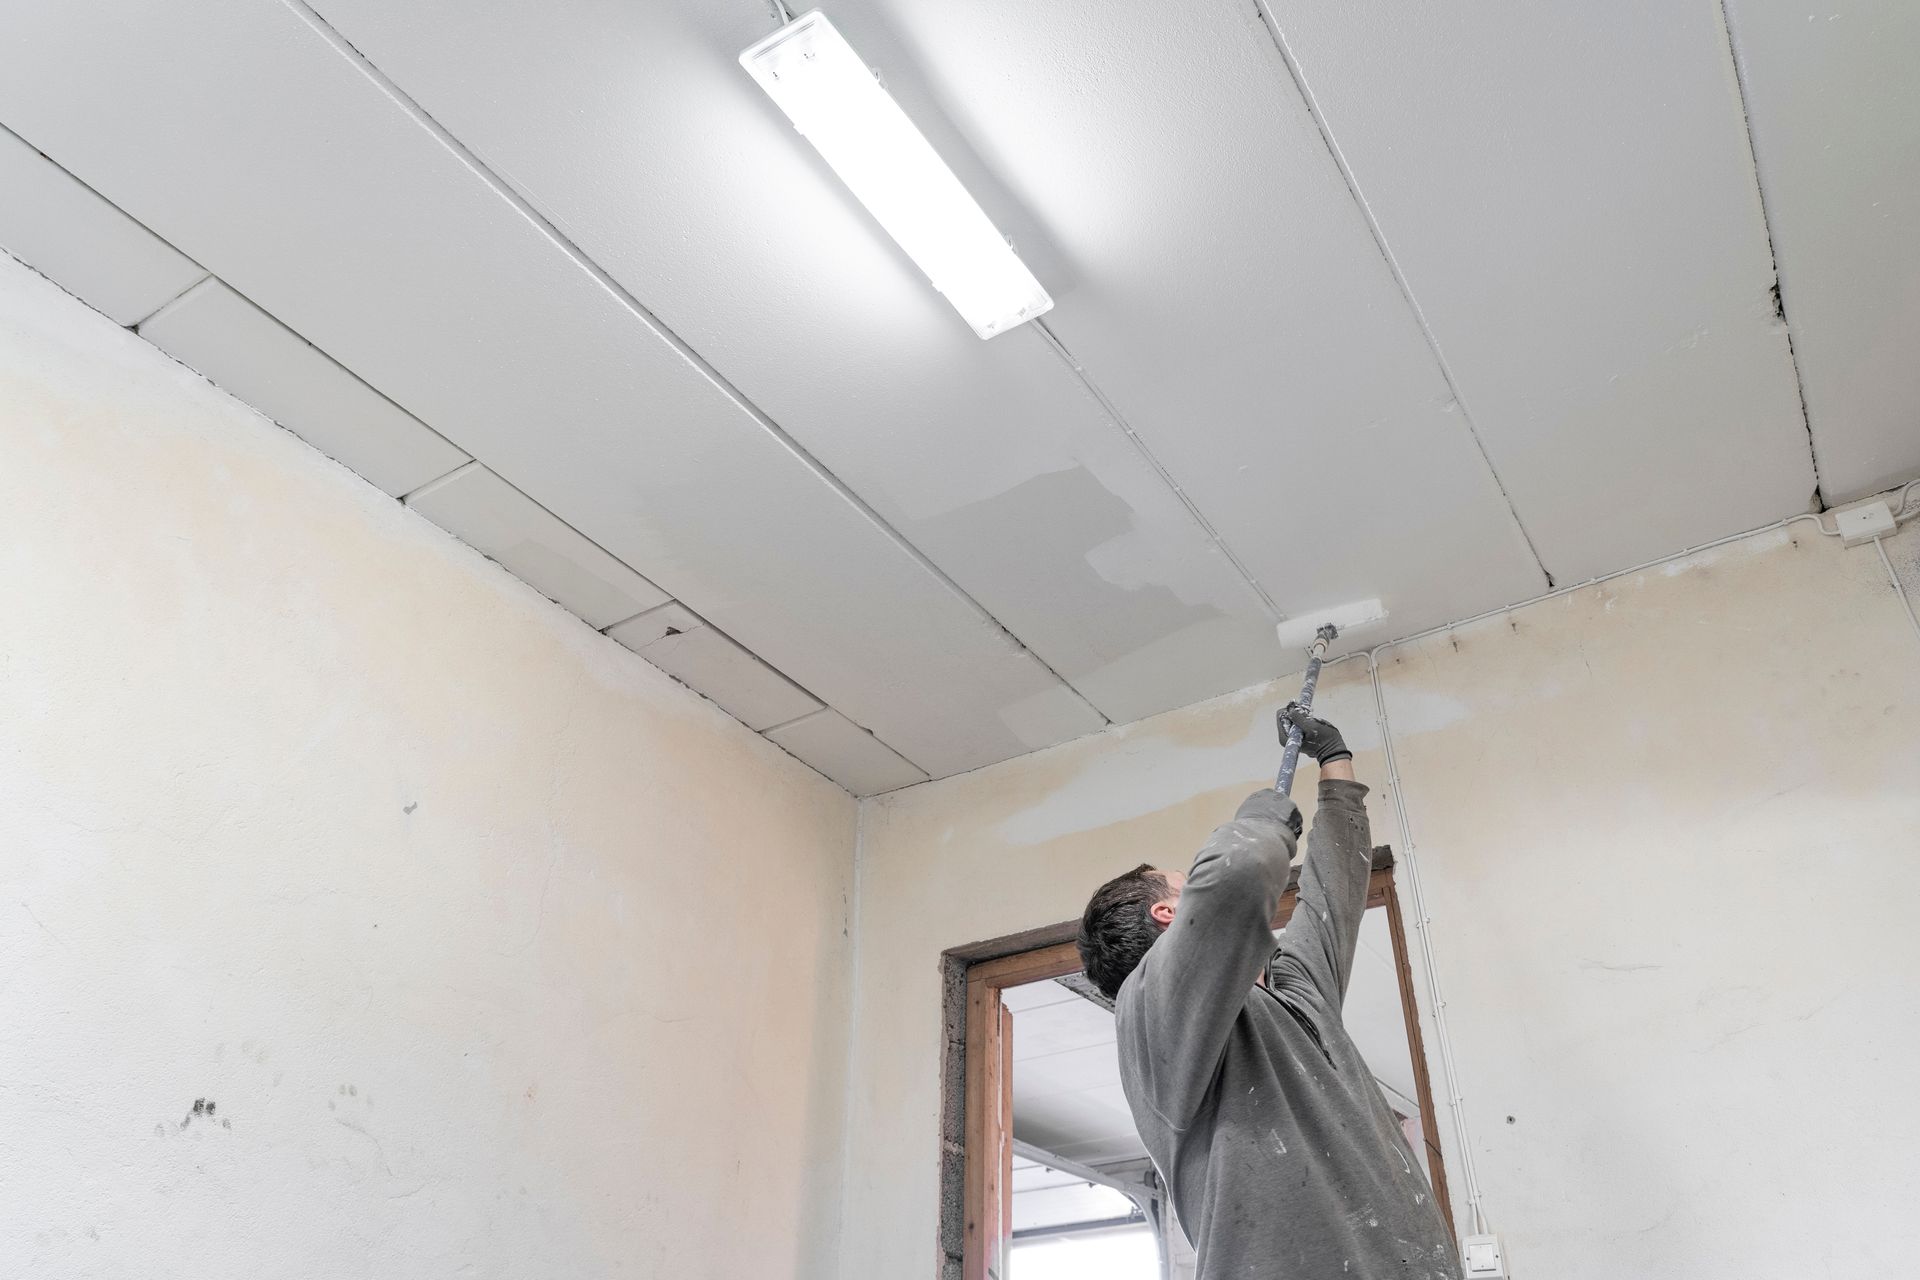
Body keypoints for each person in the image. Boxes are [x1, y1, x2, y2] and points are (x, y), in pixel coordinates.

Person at [1076, 703, 1459, 1279]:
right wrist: (1270, 812)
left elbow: (1334, 894)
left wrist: (1334, 763)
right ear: (1167, 913)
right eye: (1187, 884)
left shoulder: (1292, 994)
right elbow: (1241, 869)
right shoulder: (1151, 1010)